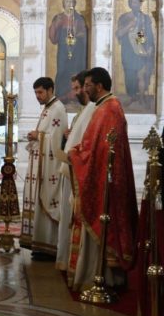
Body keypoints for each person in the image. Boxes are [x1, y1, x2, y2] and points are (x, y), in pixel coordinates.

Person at [68, 67, 138, 291]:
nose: (85, 90)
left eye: (88, 85)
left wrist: (76, 154)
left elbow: (103, 149)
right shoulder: (105, 107)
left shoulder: (109, 109)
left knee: (106, 223)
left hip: (105, 179)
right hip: (101, 174)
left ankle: (107, 278)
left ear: (99, 86)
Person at [20, 77, 68, 258]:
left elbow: (56, 140)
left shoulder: (58, 109)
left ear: (50, 90)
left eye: (40, 92)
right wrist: (37, 135)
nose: (37, 96)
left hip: (50, 167)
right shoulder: (48, 108)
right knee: (38, 203)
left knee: (46, 201)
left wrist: (38, 136)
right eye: (35, 93)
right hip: (41, 164)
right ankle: (39, 244)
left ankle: (49, 247)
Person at [55, 71, 95, 282]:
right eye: (76, 88)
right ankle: (66, 258)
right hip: (71, 169)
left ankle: (74, 262)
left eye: (79, 88)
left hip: (78, 171)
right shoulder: (83, 112)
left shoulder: (93, 110)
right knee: (67, 217)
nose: (77, 92)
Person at [116, 0, 155, 102]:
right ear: (130, 4)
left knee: (142, 73)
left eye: (138, 2)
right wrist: (130, 25)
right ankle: (132, 95)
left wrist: (150, 46)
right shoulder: (124, 17)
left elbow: (148, 34)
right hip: (128, 50)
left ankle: (141, 97)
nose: (136, 4)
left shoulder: (145, 18)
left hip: (141, 48)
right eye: (134, 2)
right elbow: (119, 34)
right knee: (130, 74)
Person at [49, 0, 88, 101]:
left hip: (77, 50)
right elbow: (53, 37)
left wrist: (78, 35)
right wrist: (57, 24)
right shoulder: (59, 17)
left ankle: (76, 96)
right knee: (62, 70)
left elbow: (84, 34)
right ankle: (61, 95)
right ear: (63, 4)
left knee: (76, 71)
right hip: (63, 49)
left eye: (71, 2)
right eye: (67, 2)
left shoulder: (79, 18)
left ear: (74, 4)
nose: (69, 4)